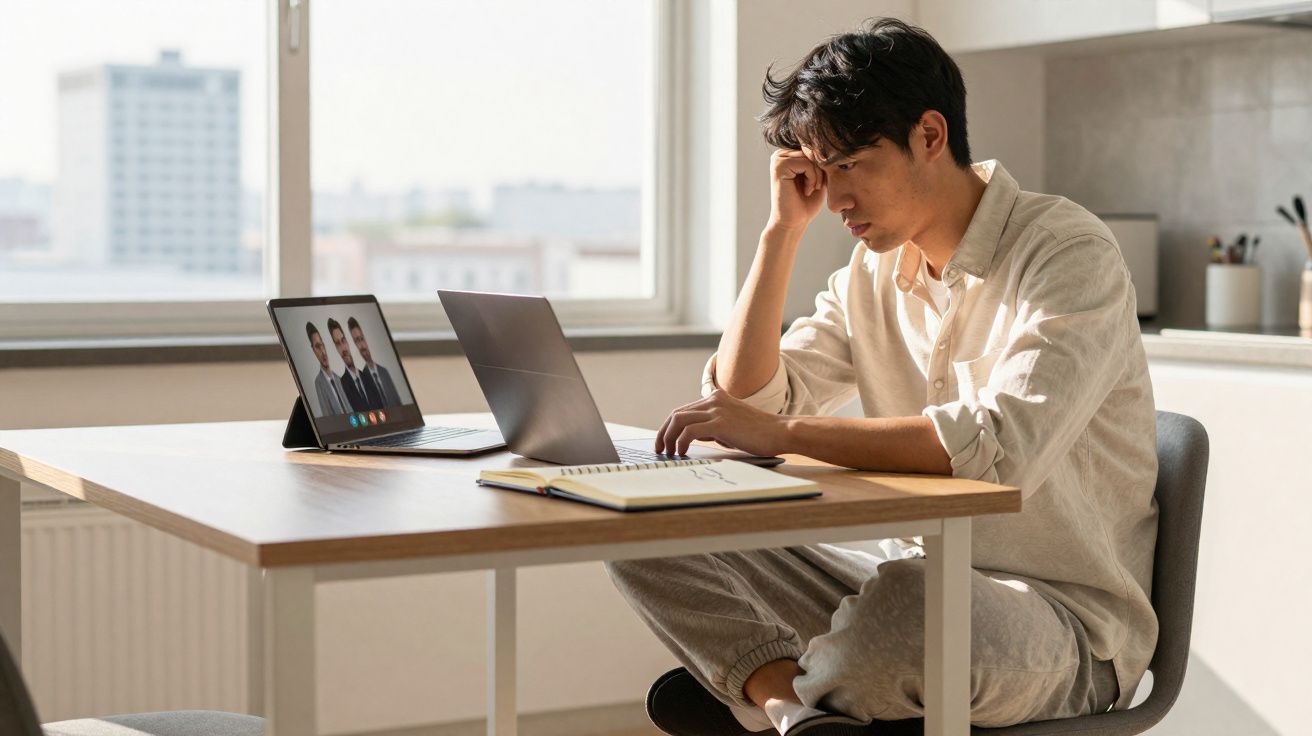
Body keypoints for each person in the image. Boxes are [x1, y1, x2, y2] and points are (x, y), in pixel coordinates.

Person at [605, 18, 1157, 736]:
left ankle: (764, 686)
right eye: (820, 171)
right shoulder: (872, 273)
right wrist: (781, 233)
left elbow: (997, 449)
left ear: (929, 135)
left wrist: (781, 432)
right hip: (899, 590)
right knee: (643, 516)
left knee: (906, 608)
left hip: (1060, 626)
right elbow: (742, 400)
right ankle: (791, 707)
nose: (834, 199)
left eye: (849, 165)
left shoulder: (1066, 253)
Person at [327, 317, 383, 412]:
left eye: (343, 340)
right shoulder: (341, 385)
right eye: (338, 343)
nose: (343, 348)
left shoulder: (368, 376)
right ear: (335, 348)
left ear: (348, 342)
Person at [348, 316, 403, 408]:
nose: (362, 345)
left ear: (366, 339)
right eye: (357, 341)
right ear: (354, 345)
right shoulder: (362, 379)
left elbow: (398, 402)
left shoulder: (384, 372)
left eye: (362, 339)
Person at [306, 322, 350, 416]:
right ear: (313, 350)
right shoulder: (319, 383)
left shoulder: (338, 379)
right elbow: (327, 416)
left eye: (322, 345)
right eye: (317, 347)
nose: (323, 351)